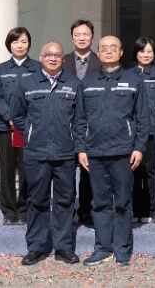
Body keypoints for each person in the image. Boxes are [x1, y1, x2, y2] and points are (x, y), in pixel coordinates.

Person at [76, 35, 147, 267]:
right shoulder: (87, 82)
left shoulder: (134, 80)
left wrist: (139, 147)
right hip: (95, 152)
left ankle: (122, 249)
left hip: (123, 152)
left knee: (123, 203)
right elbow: (80, 119)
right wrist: (81, 148)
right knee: (100, 203)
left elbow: (142, 118)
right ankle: (103, 248)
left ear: (121, 52)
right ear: (98, 53)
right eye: (104, 48)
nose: (108, 51)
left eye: (113, 47)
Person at [11, 42, 84, 266]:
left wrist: (76, 144)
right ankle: (36, 247)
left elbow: (79, 119)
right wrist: (31, 133)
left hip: (64, 152)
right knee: (37, 200)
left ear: (63, 59)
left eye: (57, 55)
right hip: (36, 152)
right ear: (41, 57)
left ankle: (63, 247)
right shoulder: (27, 82)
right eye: (48, 54)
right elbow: (17, 114)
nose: (53, 58)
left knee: (65, 200)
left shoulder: (73, 83)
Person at [0, 26, 40, 225]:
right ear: (9, 45)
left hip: (29, 128)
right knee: (8, 169)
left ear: (29, 44)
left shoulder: (38, 68)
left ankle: (25, 209)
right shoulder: (0, 70)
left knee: (27, 168)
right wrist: (9, 118)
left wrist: (28, 120)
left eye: (24, 41)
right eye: (15, 41)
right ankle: (9, 212)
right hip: (7, 128)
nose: (20, 45)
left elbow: (40, 96)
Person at [62, 19, 97, 227]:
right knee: (67, 171)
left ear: (92, 37)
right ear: (72, 37)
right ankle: (68, 211)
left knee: (88, 171)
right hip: (66, 122)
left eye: (86, 34)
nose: (82, 38)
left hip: (92, 124)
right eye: (78, 34)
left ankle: (86, 211)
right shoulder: (62, 60)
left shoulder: (100, 61)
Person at [131, 37, 155, 225]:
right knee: (134, 171)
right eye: (142, 51)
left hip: (152, 131)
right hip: (132, 132)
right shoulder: (128, 75)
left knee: (150, 171)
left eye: (150, 51)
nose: (146, 55)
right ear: (136, 53)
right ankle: (135, 209)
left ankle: (150, 209)